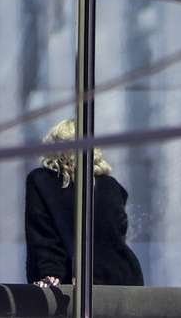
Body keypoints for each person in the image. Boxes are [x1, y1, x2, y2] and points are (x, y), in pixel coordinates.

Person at [25, 118, 144, 288]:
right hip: (121, 280)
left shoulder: (42, 181)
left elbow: (43, 233)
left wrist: (50, 272)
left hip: (70, 285)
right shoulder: (111, 186)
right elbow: (115, 235)